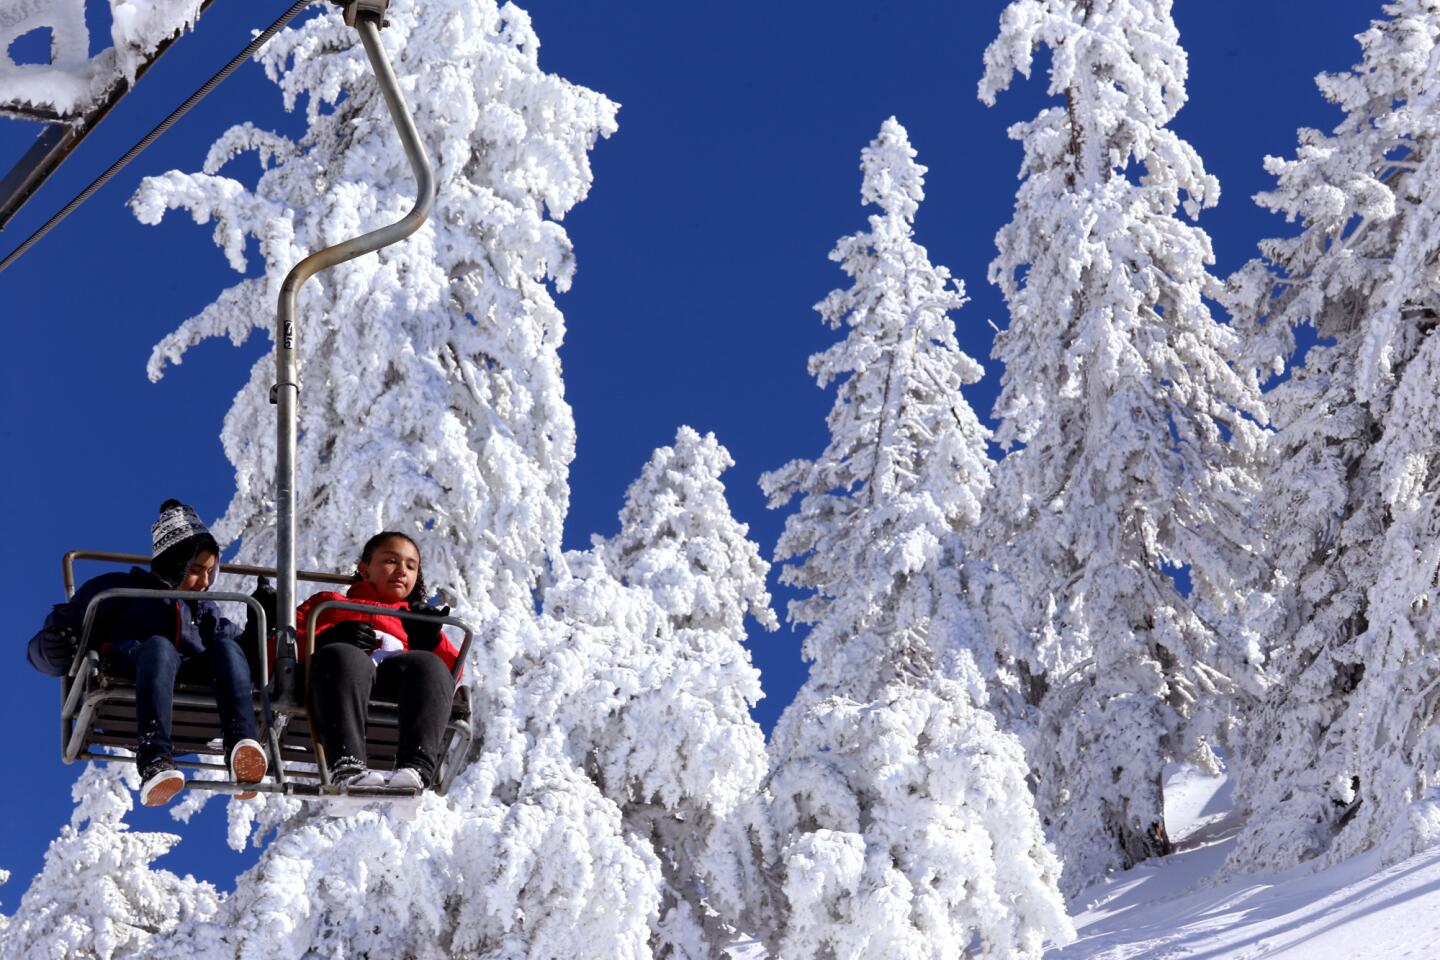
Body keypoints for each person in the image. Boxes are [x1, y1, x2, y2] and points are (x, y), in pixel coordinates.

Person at [27, 500, 267, 806]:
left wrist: (267, 625)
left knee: (227, 648)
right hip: (128, 682)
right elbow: (49, 642)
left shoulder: (205, 611)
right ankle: (155, 761)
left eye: (211, 572)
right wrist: (54, 645)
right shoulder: (118, 590)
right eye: (195, 570)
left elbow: (242, 658)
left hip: (196, 709)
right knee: (159, 647)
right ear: (172, 562)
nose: (205, 582)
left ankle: (241, 749)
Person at [293, 531, 460, 791]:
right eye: (391, 561)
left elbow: (448, 678)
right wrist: (326, 638)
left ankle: (415, 769)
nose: (401, 570)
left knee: (428, 664)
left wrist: (429, 641)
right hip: (339, 683)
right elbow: (282, 649)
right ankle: (348, 768)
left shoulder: (414, 617)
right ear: (364, 568)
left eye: (410, 566)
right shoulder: (329, 604)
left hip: (395, 684)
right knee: (345, 656)